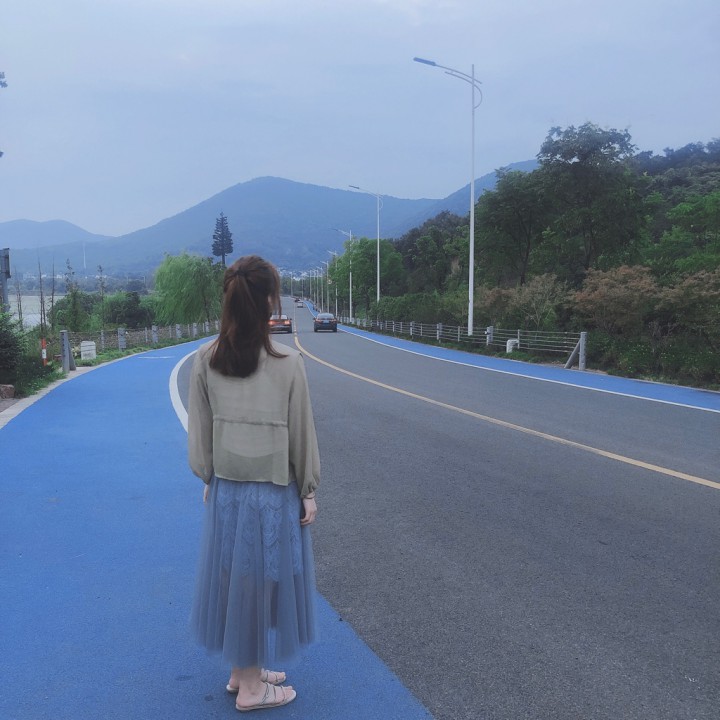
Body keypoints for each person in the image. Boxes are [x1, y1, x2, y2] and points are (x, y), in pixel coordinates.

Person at [187, 255, 320, 712]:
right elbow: (302, 434)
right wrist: (308, 490)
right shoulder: (288, 363)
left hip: (227, 488)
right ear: (268, 301)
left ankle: (242, 669)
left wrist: (210, 476)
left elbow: (200, 434)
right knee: (262, 582)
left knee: (234, 577)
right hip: (272, 490)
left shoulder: (206, 360)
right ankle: (250, 688)